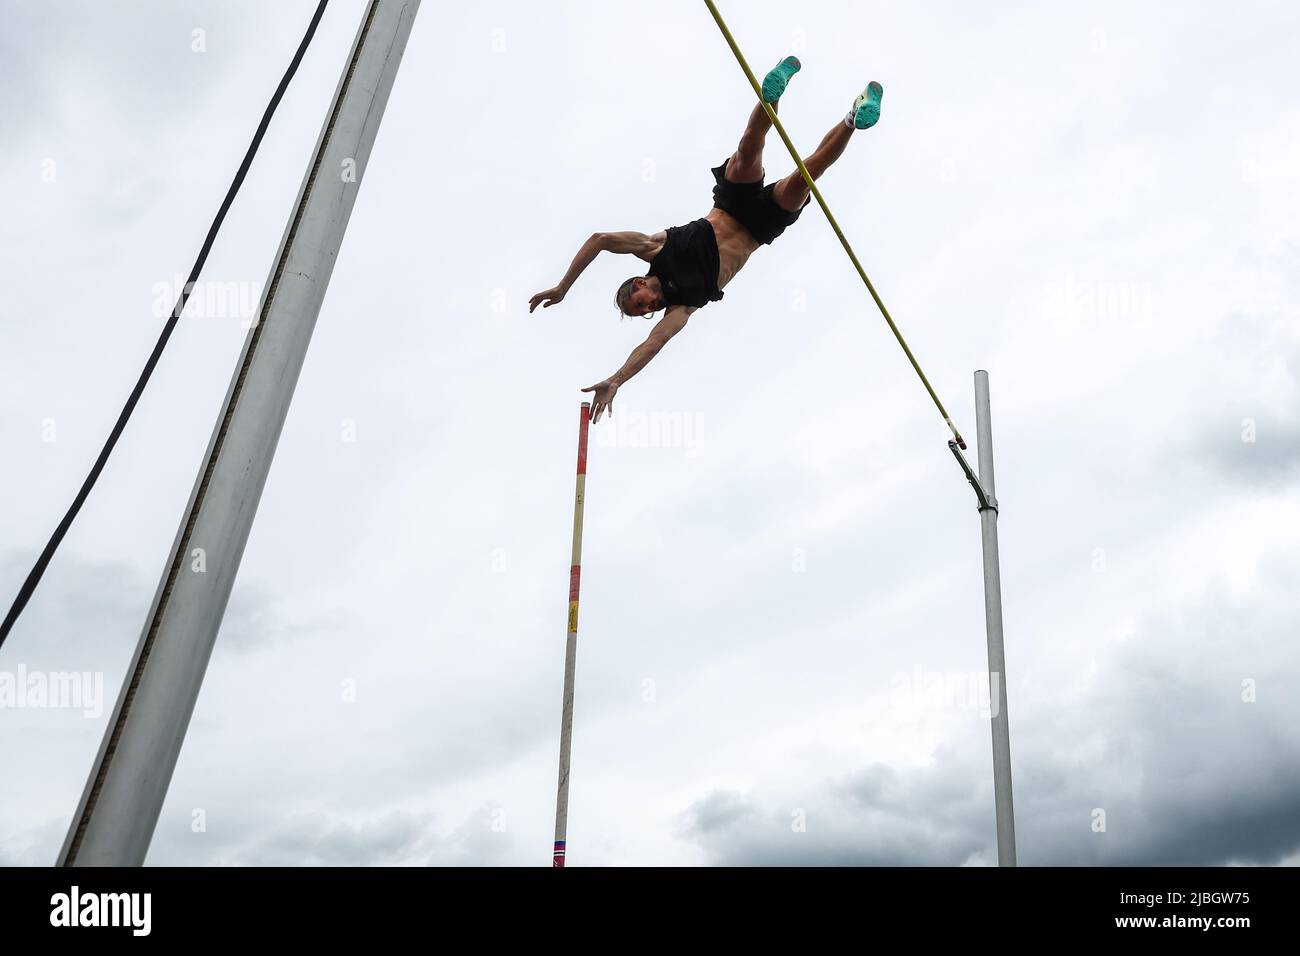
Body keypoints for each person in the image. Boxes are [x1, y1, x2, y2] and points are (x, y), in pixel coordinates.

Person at [529, 56, 883, 422]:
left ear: (638, 283)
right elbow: (653, 344)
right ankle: (854, 116)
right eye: (643, 312)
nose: (648, 310)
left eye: (640, 304)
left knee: (747, 150)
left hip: (731, 205)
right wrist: (617, 380)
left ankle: (774, 89)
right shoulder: (681, 307)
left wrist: (563, 287)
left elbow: (600, 238)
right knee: (807, 174)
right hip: (760, 228)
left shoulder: (655, 248)